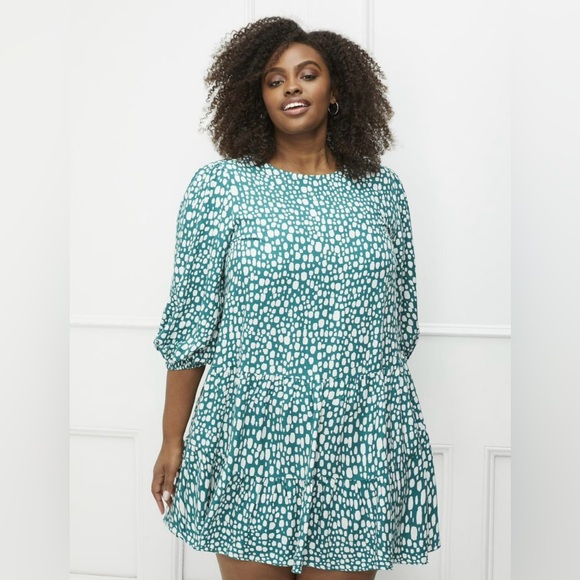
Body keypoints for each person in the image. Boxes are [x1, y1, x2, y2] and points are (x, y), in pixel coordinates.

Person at [150, 16, 441, 580]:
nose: (291, 88)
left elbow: (400, 324)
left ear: (336, 90)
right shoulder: (221, 189)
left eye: (307, 75)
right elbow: (190, 324)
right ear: (256, 97)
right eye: (274, 80)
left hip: (359, 437)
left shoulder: (381, 190)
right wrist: (171, 439)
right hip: (251, 434)